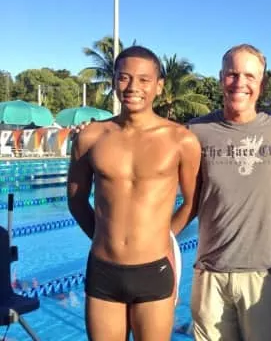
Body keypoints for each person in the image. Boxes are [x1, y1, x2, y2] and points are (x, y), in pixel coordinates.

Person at [67, 45, 201, 341]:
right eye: (124, 77)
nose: (132, 87)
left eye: (143, 80)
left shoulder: (181, 140)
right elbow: (76, 200)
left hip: (154, 269)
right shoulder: (90, 137)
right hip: (103, 269)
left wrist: (163, 237)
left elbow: (193, 203)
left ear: (159, 85)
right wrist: (103, 237)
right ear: (114, 80)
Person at [171, 44, 271, 341]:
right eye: (232, 74)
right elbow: (190, 198)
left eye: (250, 76)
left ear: (262, 83)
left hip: (262, 274)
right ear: (220, 78)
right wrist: (160, 240)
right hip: (209, 272)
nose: (240, 83)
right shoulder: (196, 131)